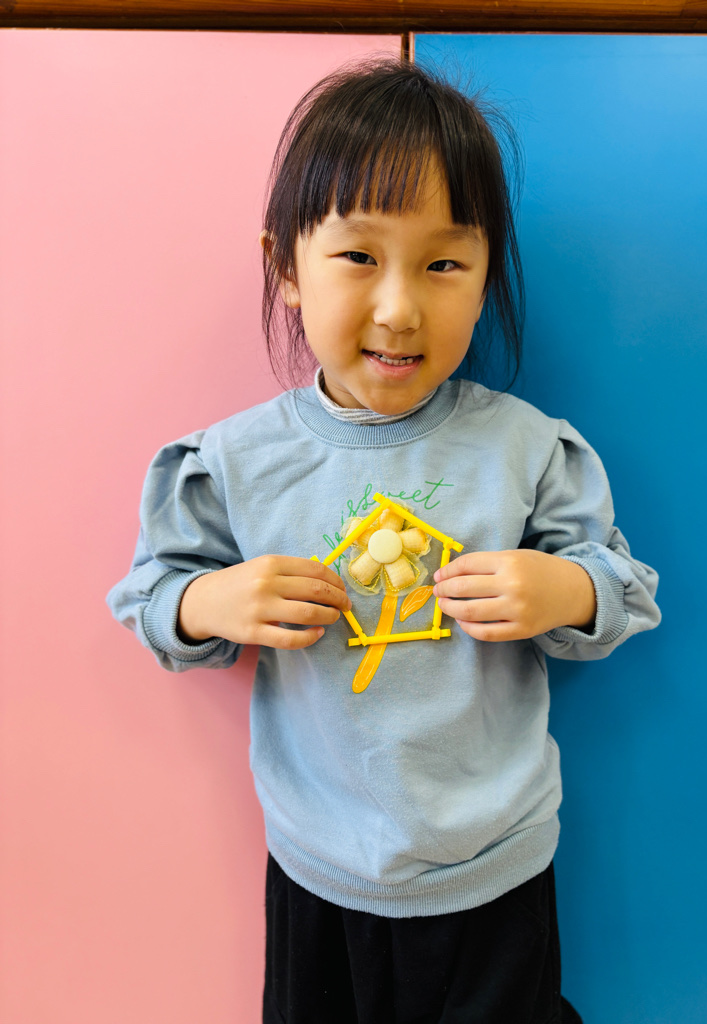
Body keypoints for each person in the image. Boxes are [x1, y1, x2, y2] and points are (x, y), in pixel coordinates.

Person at [108, 58, 661, 1024]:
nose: (400, 309)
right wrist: (210, 602)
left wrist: (564, 590)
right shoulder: (233, 461)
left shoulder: (526, 448)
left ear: (485, 279)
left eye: (445, 264)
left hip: (495, 865)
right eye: (360, 257)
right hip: (320, 866)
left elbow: (622, 584)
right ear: (287, 265)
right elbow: (150, 595)